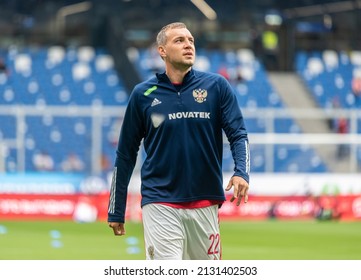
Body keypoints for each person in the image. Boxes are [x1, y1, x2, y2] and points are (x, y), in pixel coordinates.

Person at [107, 22, 250, 260]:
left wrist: (242, 172)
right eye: (179, 41)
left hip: (205, 202)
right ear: (162, 51)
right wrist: (116, 208)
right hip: (159, 201)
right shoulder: (143, 94)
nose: (188, 45)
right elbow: (125, 154)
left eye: (191, 40)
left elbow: (238, 134)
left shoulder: (217, 87)